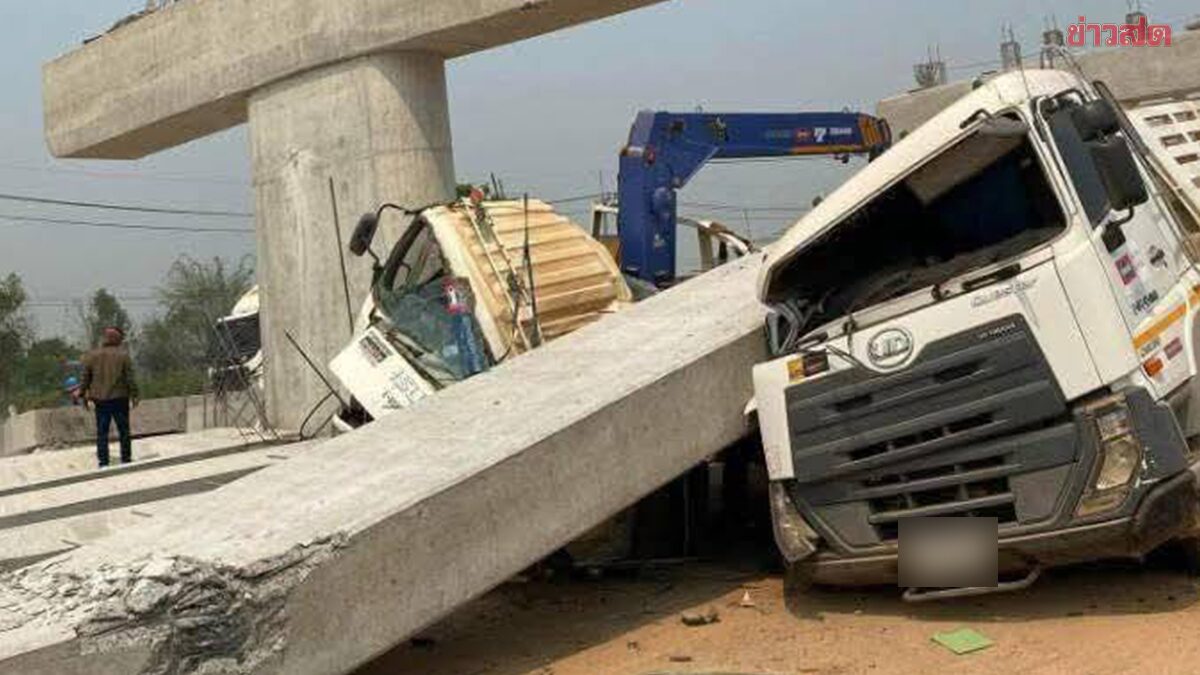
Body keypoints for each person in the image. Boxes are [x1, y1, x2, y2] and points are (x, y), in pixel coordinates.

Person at [80, 327, 140, 468]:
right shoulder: (123, 356)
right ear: (116, 339)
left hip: (100, 400)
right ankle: (126, 458)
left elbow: (85, 378)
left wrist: (83, 395)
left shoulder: (91, 356)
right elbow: (130, 378)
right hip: (119, 398)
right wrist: (135, 394)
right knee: (124, 430)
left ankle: (103, 462)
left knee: (102, 432)